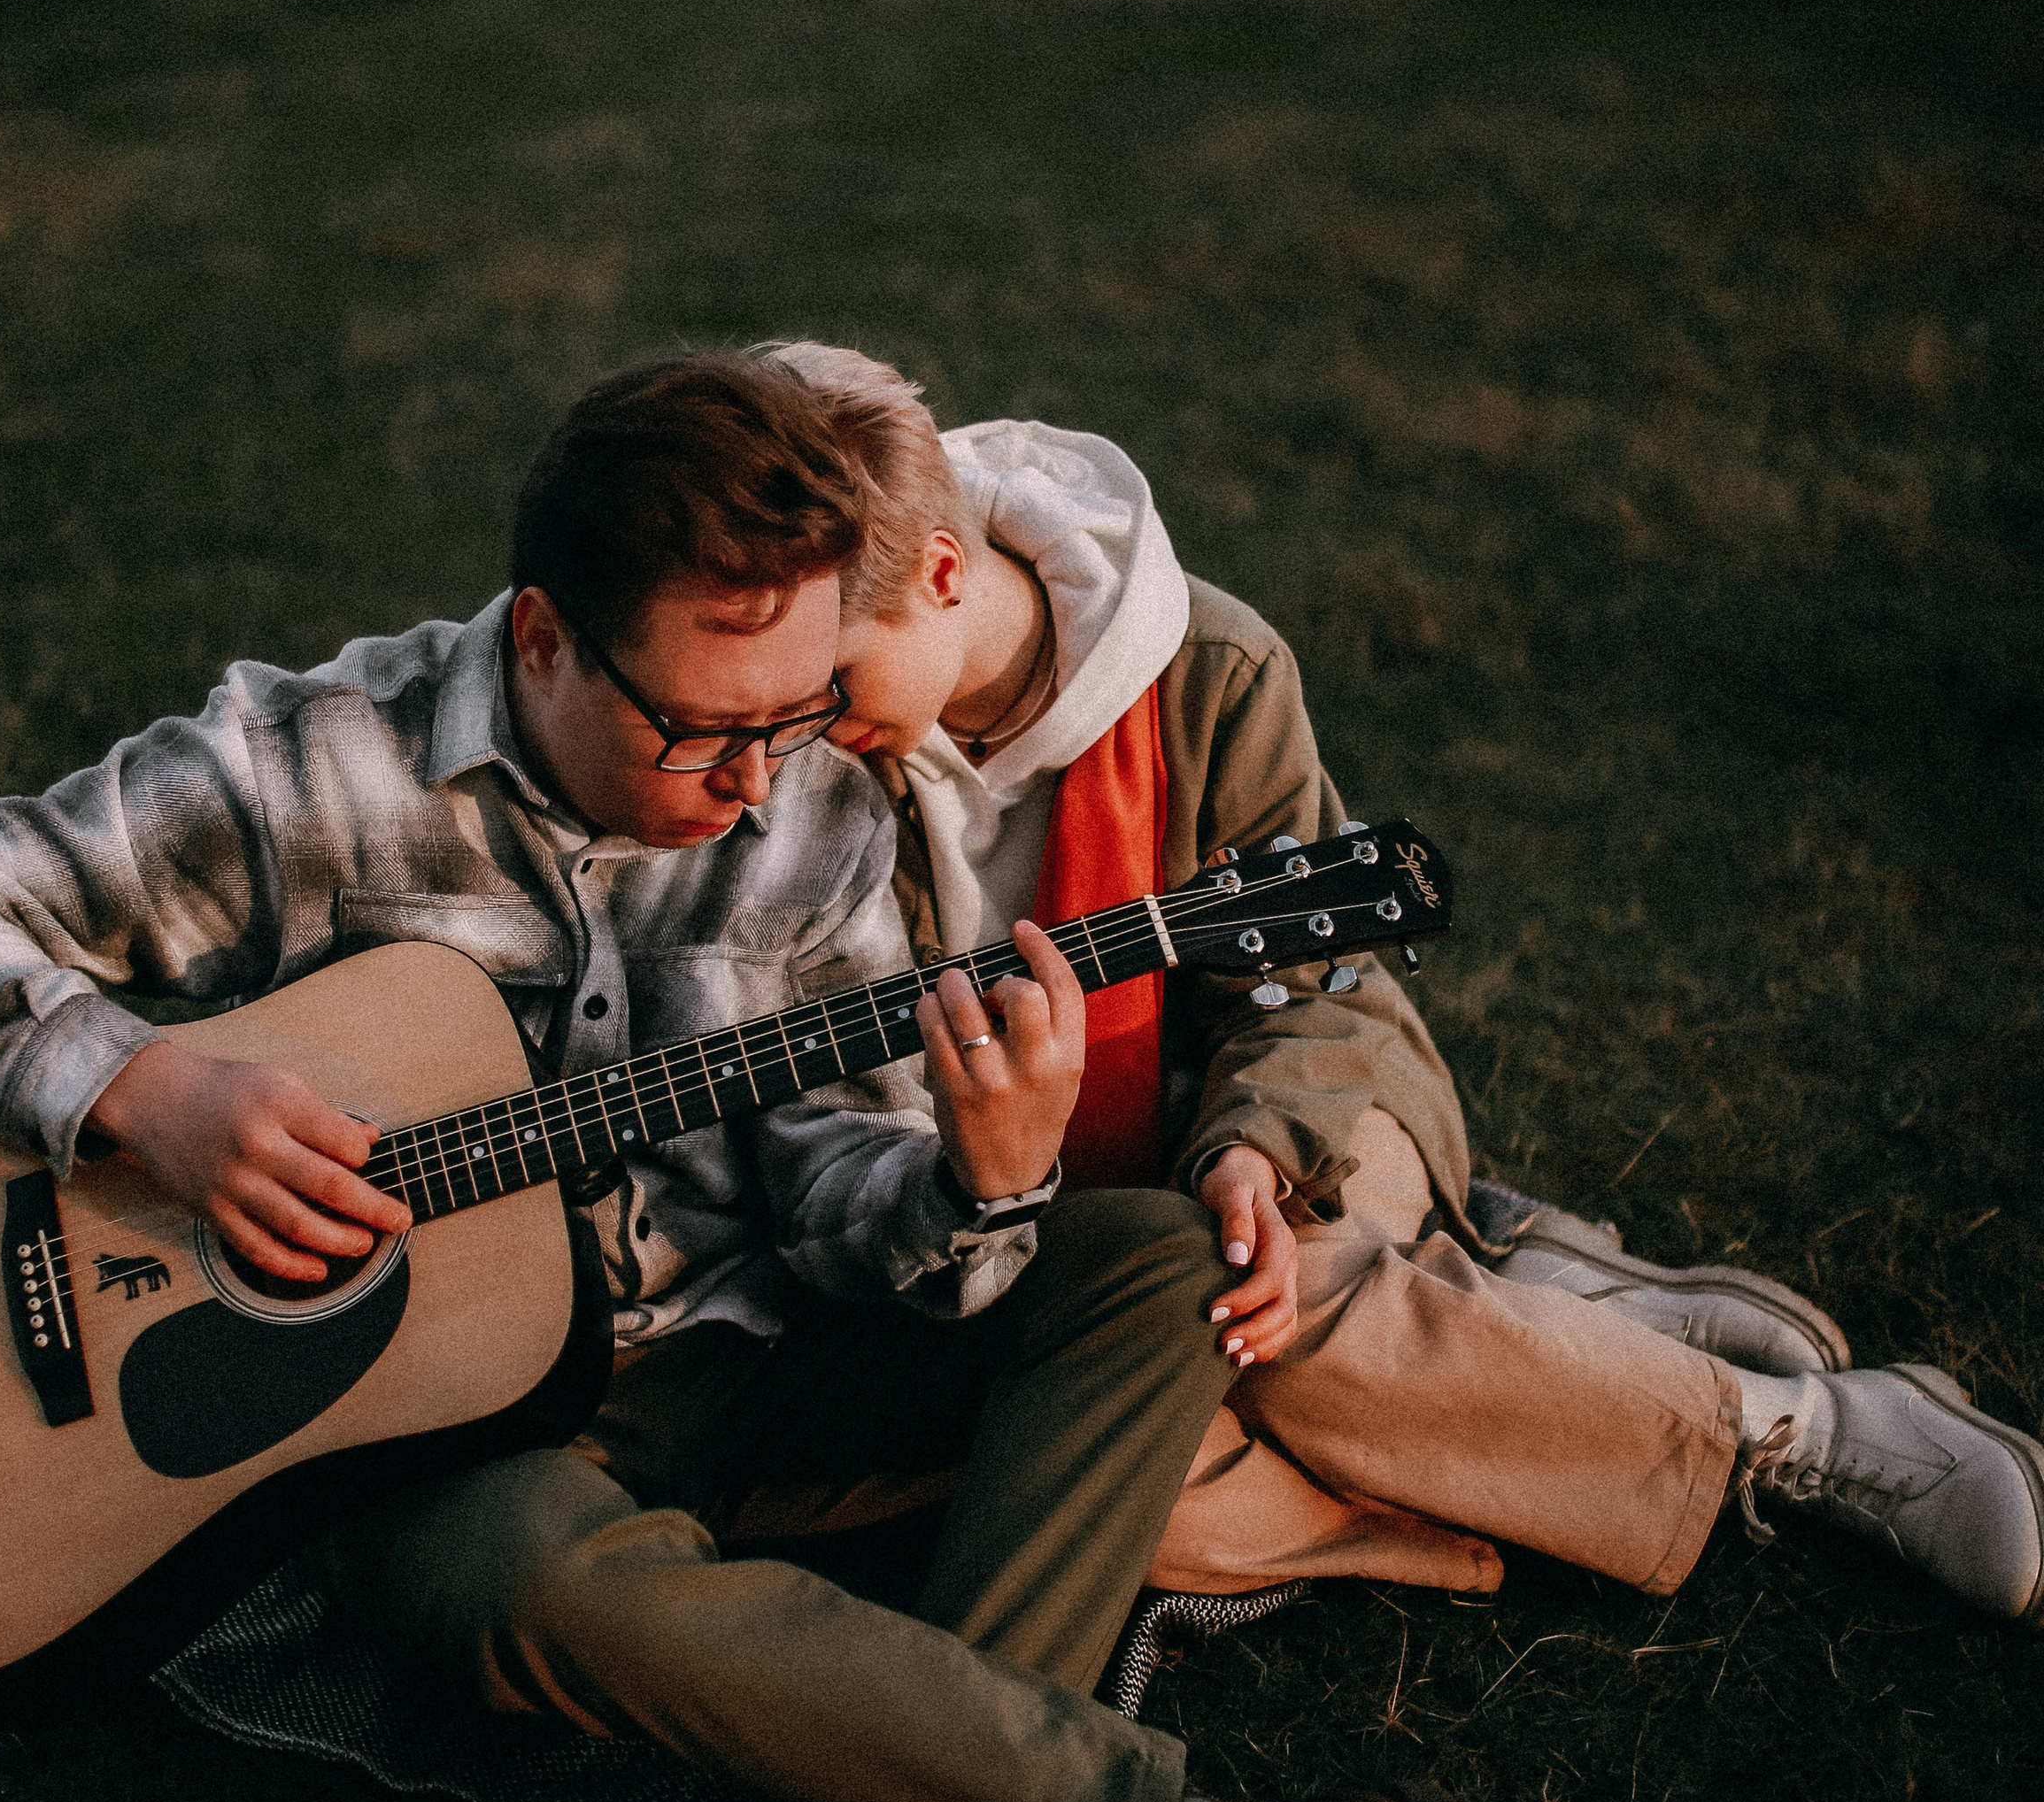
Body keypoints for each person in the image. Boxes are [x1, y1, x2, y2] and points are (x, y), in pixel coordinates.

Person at [0, 354, 1560, 1802]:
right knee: (497, 1588)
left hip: (731, 1340)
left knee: (1151, 1262)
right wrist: (142, 1093)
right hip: (451, 1427)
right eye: (701, 732)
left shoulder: (801, 813)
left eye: (794, 717)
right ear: (548, 637)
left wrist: (982, 1180)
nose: (752, 785)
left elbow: (841, 1212)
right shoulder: (303, 770)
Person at [768, 342, 2044, 1632]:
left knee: (1250, 1291)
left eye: (829, 686)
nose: (787, 735)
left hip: (1295, 1101)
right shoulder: (791, 746)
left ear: (939, 574)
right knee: (1123, 1466)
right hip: (1030, 1210)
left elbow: (1310, 988)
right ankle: (1544, 1315)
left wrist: (1252, 1155)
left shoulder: (1212, 669)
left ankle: (1795, 1434)